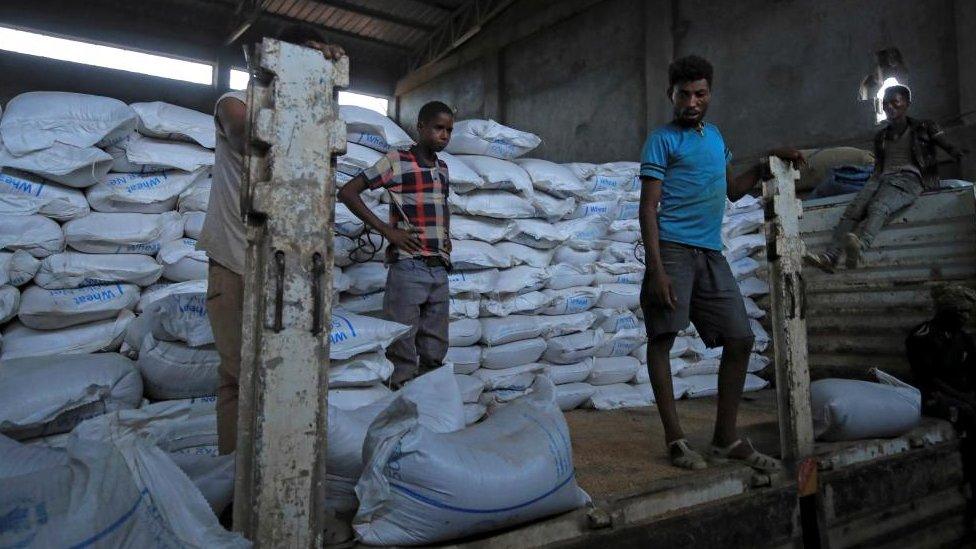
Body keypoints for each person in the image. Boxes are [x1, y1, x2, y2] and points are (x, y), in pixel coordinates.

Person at [639, 55, 804, 471]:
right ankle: (676, 439)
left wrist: (766, 161)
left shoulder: (715, 138)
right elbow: (648, 207)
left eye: (700, 93)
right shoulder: (662, 140)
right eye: (683, 94)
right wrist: (657, 270)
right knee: (662, 339)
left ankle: (724, 438)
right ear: (670, 95)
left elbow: (731, 191)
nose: (691, 101)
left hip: (711, 255)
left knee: (741, 339)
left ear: (710, 93)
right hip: (673, 252)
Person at [197, 27, 344, 455]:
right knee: (240, 375)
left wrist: (324, 79)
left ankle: (284, 468)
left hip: (289, 264)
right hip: (234, 258)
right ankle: (235, 484)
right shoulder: (234, 103)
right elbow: (248, 136)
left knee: (289, 375)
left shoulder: (316, 115)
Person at [337, 101, 454, 388]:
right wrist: (388, 231)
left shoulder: (443, 168)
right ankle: (400, 410)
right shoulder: (397, 161)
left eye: (449, 130)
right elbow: (349, 192)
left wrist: (446, 241)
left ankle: (430, 411)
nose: (444, 135)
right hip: (408, 267)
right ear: (421, 127)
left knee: (435, 348)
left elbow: (441, 207)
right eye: (438, 128)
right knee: (402, 347)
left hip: (438, 269)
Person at [806, 85, 964, 272]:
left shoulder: (925, 127)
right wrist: (874, 181)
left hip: (910, 179)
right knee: (853, 211)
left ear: (907, 104)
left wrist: (957, 154)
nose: (889, 107)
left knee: (879, 206)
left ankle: (860, 246)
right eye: (885, 103)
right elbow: (880, 166)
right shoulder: (881, 136)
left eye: (895, 102)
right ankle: (829, 257)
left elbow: (948, 146)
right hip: (881, 178)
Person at [905, 284, 976, 501]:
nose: (967, 316)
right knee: (968, 415)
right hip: (931, 396)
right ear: (946, 310)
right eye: (961, 311)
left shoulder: (963, 338)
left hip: (958, 394)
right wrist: (964, 398)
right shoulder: (923, 336)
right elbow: (929, 379)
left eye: (968, 311)